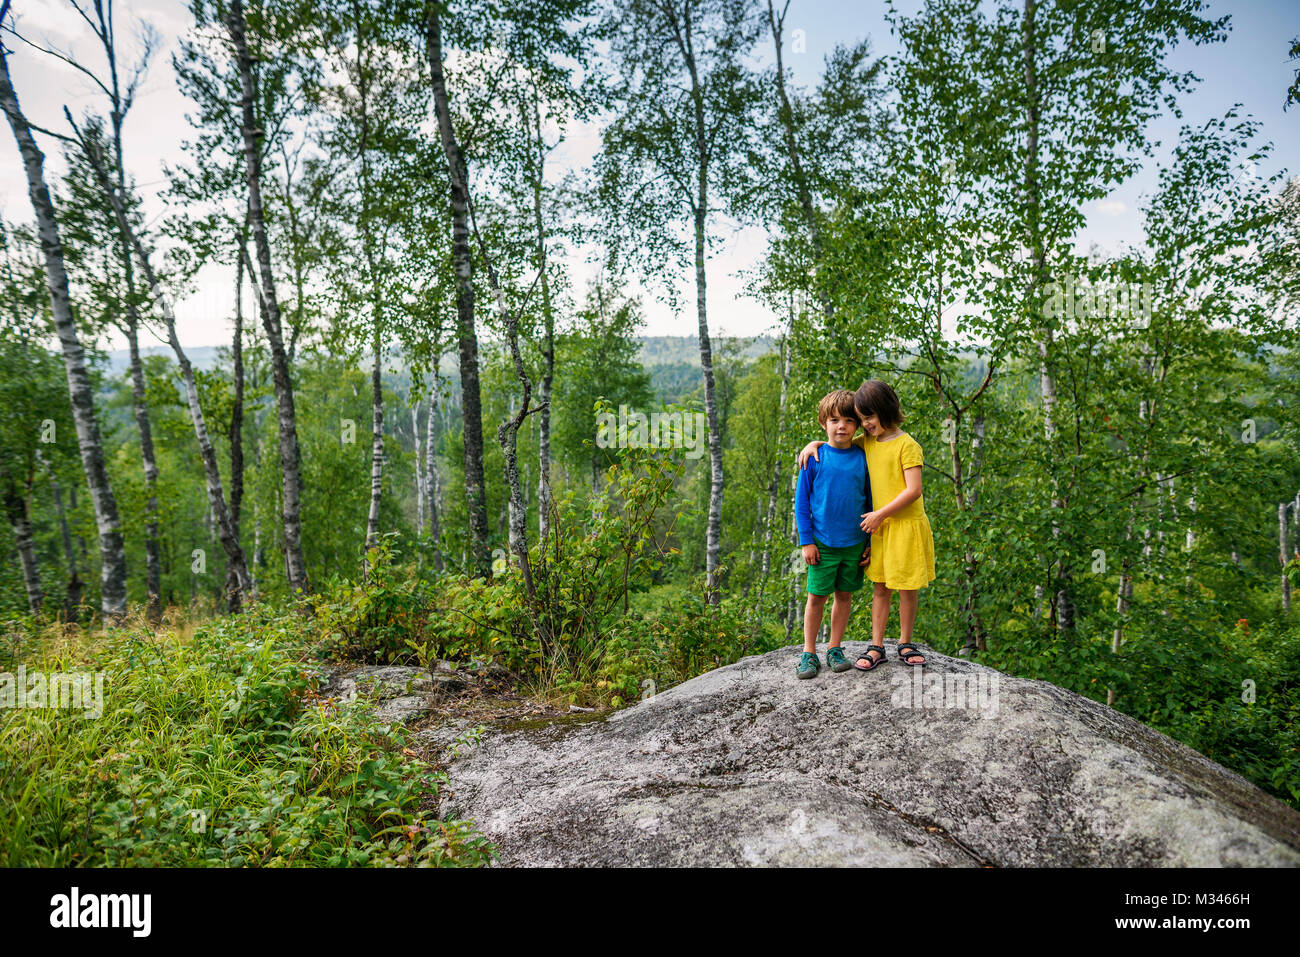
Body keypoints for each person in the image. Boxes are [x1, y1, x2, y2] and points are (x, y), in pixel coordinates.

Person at [798, 379, 934, 670]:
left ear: (886, 411)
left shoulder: (905, 445)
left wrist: (878, 517)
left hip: (897, 527)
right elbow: (837, 444)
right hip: (872, 531)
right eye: (863, 419)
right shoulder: (864, 444)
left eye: (863, 418)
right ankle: (874, 645)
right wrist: (814, 444)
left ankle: (905, 642)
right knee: (879, 588)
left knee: (907, 587)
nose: (863, 424)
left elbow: (914, 490)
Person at [793, 390, 872, 679]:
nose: (841, 426)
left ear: (858, 424)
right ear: (823, 422)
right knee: (816, 597)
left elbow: (870, 501)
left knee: (844, 595)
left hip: (854, 543)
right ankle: (808, 651)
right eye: (834, 419)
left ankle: (835, 648)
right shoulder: (813, 458)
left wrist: (869, 542)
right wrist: (807, 541)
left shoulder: (863, 458)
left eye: (849, 420)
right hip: (823, 544)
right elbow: (801, 503)